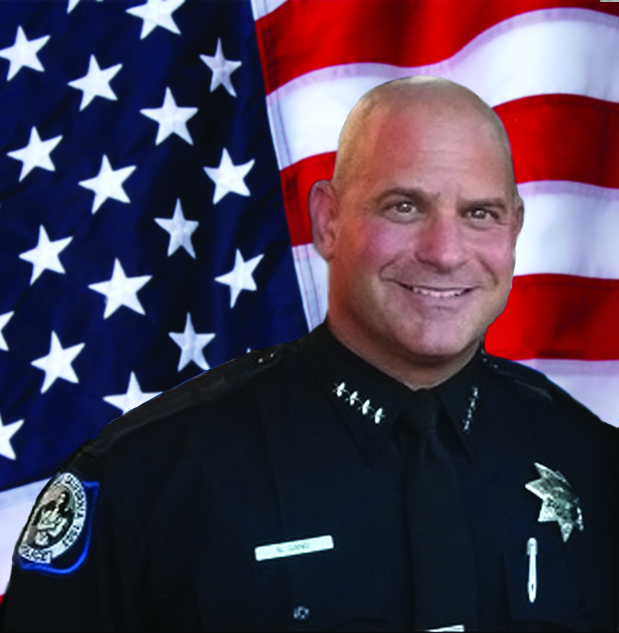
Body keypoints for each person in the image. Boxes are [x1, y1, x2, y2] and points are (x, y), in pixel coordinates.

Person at [1, 76, 617, 631]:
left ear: (514, 229)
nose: (445, 252)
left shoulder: (592, 464)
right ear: (328, 220)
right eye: (404, 207)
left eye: (479, 214)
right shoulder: (149, 477)